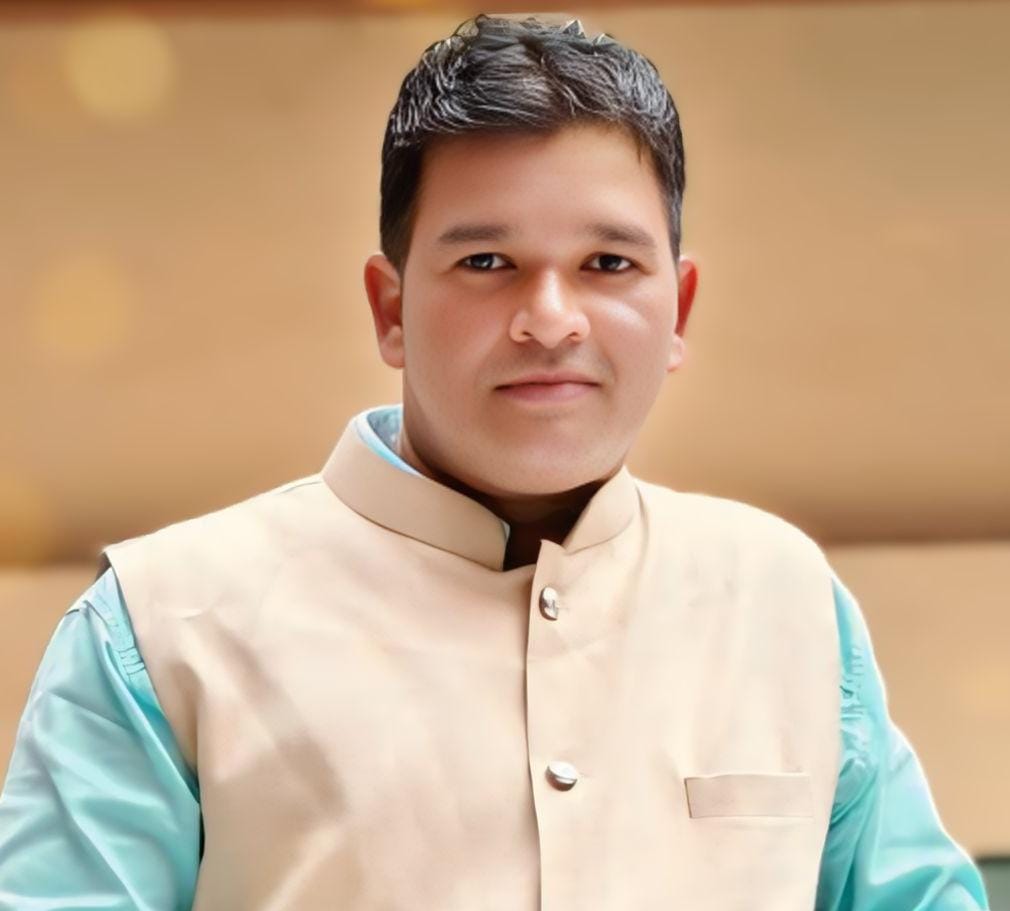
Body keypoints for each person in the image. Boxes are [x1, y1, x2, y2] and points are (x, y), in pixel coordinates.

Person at [0, 13, 990, 911]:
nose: (549, 319)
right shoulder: (159, 627)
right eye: (485, 262)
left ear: (678, 308)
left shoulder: (785, 600)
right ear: (390, 308)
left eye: (608, 264)